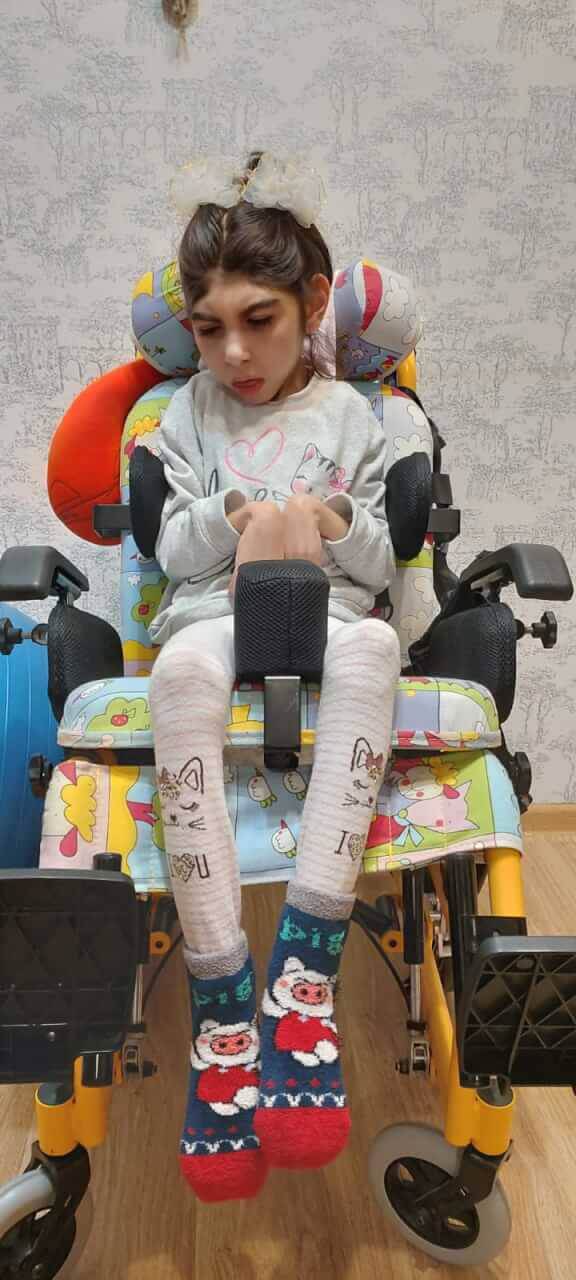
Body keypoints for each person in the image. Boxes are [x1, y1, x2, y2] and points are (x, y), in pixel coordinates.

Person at [147, 151, 401, 1204]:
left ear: (312, 304)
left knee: (378, 647)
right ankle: (222, 1005)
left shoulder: (354, 418)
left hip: (329, 614)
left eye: (260, 320)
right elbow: (170, 550)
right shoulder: (187, 415)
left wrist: (331, 520)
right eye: (210, 329)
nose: (236, 353)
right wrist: (233, 513)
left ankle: (303, 970)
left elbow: (382, 565)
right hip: (215, 615)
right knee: (176, 673)